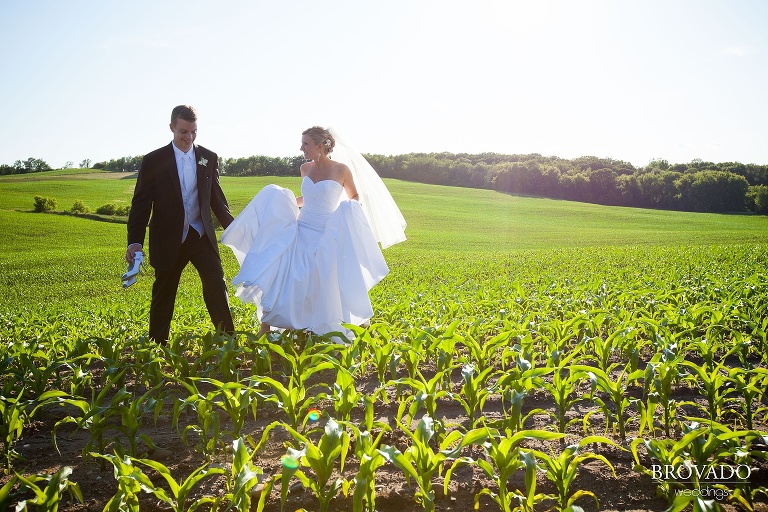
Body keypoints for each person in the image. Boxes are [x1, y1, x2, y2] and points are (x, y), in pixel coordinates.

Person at [221, 126, 406, 339]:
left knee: (326, 279)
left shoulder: (341, 170)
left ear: (320, 146)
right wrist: (284, 201)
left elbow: (354, 197)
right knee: (284, 273)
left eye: (305, 143)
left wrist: (344, 213)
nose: (301, 148)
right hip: (300, 229)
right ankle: (268, 324)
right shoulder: (305, 169)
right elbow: (307, 198)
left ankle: (333, 324)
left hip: (325, 232)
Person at [126, 105, 235, 344]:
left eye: (194, 131)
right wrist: (135, 241)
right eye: (183, 131)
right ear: (172, 128)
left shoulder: (209, 157)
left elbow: (217, 200)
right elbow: (141, 205)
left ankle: (228, 343)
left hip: (200, 235)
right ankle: (157, 345)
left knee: (217, 284)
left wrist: (236, 229)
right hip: (167, 238)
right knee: (164, 292)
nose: (189, 137)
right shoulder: (153, 160)